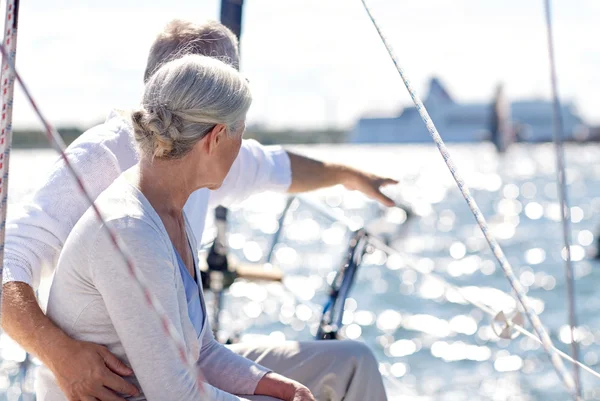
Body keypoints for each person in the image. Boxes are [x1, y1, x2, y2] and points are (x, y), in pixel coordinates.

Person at [2, 20, 390, 401]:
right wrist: (60, 353)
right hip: (108, 388)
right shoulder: (117, 190)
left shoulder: (177, 190)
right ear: (214, 130)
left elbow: (274, 167)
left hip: (172, 371)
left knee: (350, 363)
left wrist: (346, 174)